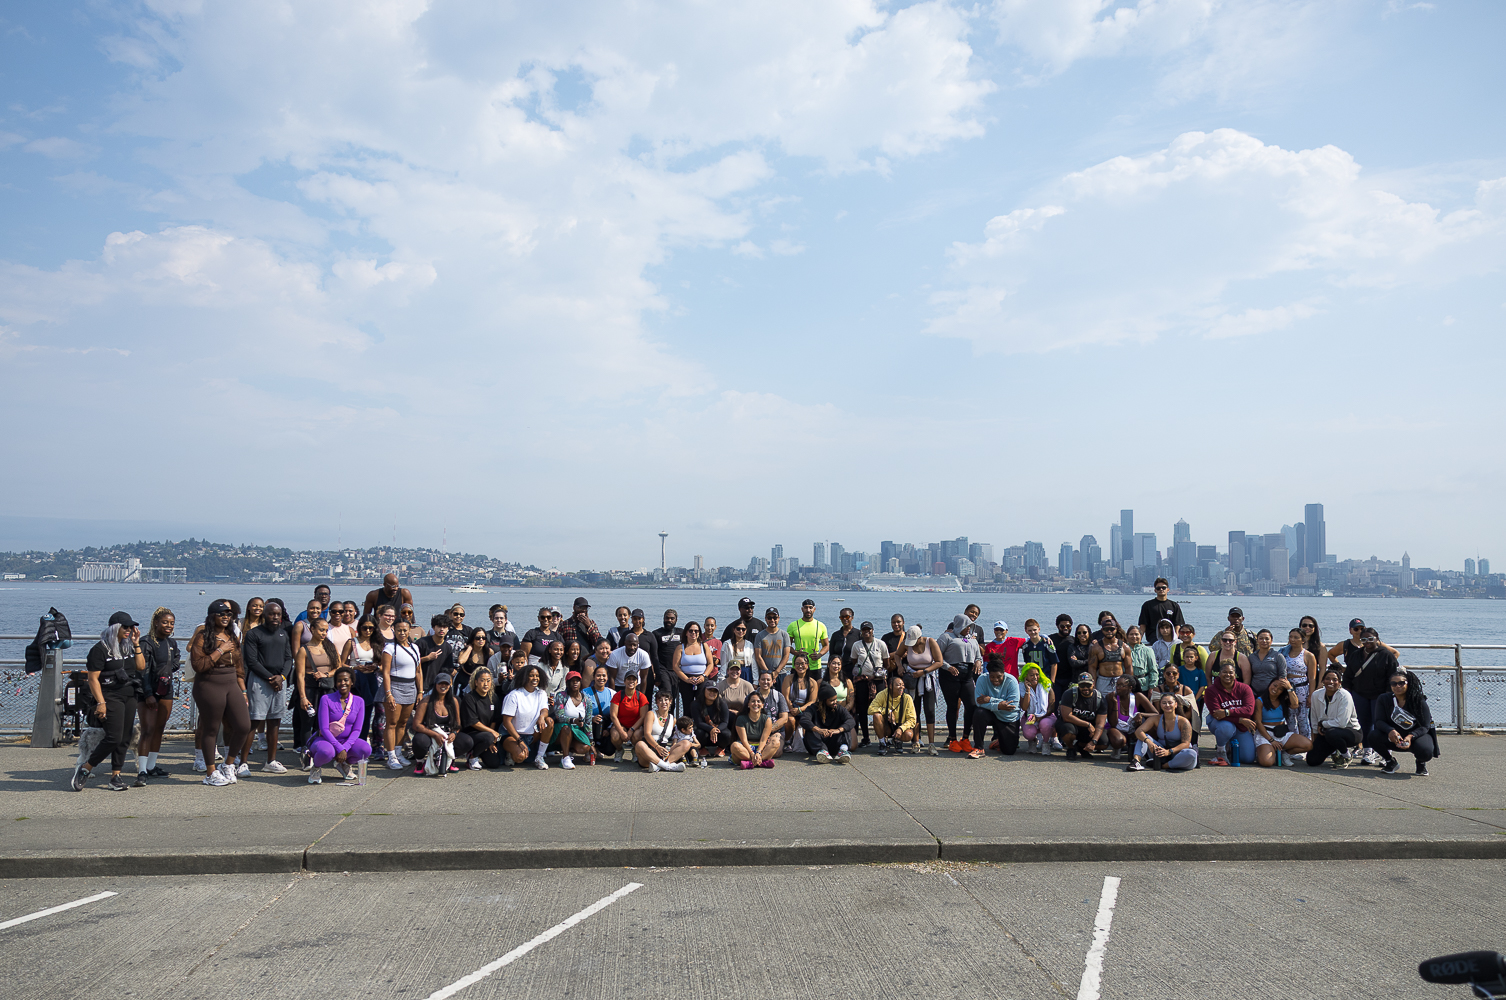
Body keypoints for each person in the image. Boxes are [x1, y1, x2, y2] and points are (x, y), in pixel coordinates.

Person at [71, 613, 149, 792]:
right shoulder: (100, 649)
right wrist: (101, 703)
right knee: (113, 736)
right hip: (109, 696)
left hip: (129, 695)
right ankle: (86, 768)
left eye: (131, 628)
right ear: (114, 628)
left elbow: (141, 666)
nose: (129, 631)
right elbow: (92, 679)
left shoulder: (128, 647)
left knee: (124, 737)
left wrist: (137, 644)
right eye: (125, 627)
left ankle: (115, 776)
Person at [187, 600, 250, 786]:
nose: (225, 617)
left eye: (229, 614)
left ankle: (228, 764)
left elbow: (239, 667)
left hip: (231, 682)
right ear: (211, 616)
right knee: (211, 728)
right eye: (221, 613)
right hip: (209, 683)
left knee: (243, 725)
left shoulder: (232, 635)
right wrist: (220, 650)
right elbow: (199, 665)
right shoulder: (202, 636)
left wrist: (243, 691)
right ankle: (210, 772)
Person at [243, 599, 294, 773]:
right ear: (264, 615)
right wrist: (270, 677)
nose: (275, 617)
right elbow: (251, 661)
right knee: (254, 720)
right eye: (271, 613)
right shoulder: (254, 634)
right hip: (259, 681)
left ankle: (270, 761)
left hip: (280, 682)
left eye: (278, 614)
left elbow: (289, 659)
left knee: (274, 721)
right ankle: (243, 763)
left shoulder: (283, 634)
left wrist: (281, 677)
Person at [136, 607, 179, 778]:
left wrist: (166, 670)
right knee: (147, 729)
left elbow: (176, 662)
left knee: (160, 729)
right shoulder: (146, 642)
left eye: (172, 623)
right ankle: (142, 770)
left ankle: (152, 766)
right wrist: (148, 694)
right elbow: (142, 670)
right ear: (156, 623)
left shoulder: (171, 643)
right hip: (148, 690)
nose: (168, 626)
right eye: (165, 622)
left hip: (166, 689)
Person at [308, 666, 370, 784]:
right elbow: (324, 729)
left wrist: (345, 747)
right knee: (327, 752)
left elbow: (357, 730)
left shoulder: (359, 701)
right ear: (335, 683)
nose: (343, 683)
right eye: (339, 680)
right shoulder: (326, 699)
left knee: (366, 749)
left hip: (346, 741)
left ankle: (344, 765)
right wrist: (340, 748)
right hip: (325, 740)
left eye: (346, 680)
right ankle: (316, 768)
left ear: (352, 682)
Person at [1346, 627, 1399, 766]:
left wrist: (1389, 695)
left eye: (1370, 638)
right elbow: (1348, 675)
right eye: (1364, 639)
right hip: (1360, 693)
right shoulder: (1356, 655)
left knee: (1381, 723)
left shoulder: (1386, 655)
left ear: (1377, 638)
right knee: (1364, 723)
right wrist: (1347, 692)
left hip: (1381, 695)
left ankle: (1385, 752)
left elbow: (1393, 676)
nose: (1367, 642)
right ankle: (1368, 750)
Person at [293, 616, 339, 760]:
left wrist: (326, 674)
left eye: (326, 630)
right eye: (321, 630)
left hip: (327, 690)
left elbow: (338, 667)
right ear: (312, 629)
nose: (324, 633)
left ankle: (324, 752)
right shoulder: (304, 650)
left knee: (326, 723)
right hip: (309, 689)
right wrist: (302, 697)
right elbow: (299, 675)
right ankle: (306, 754)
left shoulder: (330, 646)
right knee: (307, 723)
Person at [1374, 670, 1436, 775]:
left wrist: (1411, 736)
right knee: (1373, 736)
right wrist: (1390, 730)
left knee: (1426, 751)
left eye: (1401, 683)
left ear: (1408, 684)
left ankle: (1421, 762)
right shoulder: (1384, 699)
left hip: (1416, 735)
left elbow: (1425, 726)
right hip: (1395, 736)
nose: (1397, 686)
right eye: (1394, 683)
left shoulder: (1418, 700)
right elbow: (1379, 721)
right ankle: (1390, 762)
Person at [380, 619, 423, 770]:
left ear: (409, 630)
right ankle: (390, 755)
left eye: (405, 630)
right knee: (391, 723)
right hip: (395, 685)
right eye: (399, 630)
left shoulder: (415, 648)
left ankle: (399, 753)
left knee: (403, 723)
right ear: (394, 630)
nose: (402, 633)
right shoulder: (390, 648)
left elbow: (418, 671)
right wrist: (388, 693)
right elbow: (385, 672)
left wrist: (420, 691)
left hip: (410, 686)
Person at [895, 624, 942, 753]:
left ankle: (931, 743)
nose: (912, 645)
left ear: (920, 637)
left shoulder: (930, 641)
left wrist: (924, 671)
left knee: (929, 710)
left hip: (927, 678)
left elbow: (939, 662)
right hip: (912, 679)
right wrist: (899, 666)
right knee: (914, 711)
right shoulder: (907, 643)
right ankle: (916, 741)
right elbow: (897, 655)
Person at [938, 613, 983, 748]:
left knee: (971, 705)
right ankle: (952, 738)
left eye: (970, 626)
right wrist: (948, 667)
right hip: (950, 675)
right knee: (952, 707)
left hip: (967, 676)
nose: (969, 628)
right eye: (966, 626)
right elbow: (937, 657)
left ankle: (965, 737)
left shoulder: (972, 640)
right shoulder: (946, 637)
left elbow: (978, 656)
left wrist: (978, 662)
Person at [410, 673, 468, 776]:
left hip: (447, 732)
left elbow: (458, 724)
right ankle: (419, 762)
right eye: (440, 683)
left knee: (467, 741)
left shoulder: (454, 701)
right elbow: (416, 725)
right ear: (435, 684)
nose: (443, 686)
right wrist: (435, 735)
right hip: (430, 731)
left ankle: (449, 760)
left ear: (450, 686)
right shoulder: (426, 701)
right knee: (419, 741)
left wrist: (454, 733)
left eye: (446, 684)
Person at [501, 664, 554, 769]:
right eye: (531, 675)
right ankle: (510, 753)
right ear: (525, 677)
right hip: (512, 735)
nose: (535, 678)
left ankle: (539, 757)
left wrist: (542, 717)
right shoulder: (514, 695)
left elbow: (544, 710)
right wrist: (519, 740)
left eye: (537, 676)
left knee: (549, 721)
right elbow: (507, 722)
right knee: (520, 757)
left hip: (531, 735)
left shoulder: (541, 693)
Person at [1306, 668, 1362, 769]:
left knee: (1332, 733)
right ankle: (1335, 751)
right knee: (1312, 760)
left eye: (1335, 679)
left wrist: (1322, 724)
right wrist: (1315, 742)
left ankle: (1346, 756)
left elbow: (1342, 723)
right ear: (1323, 681)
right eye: (1327, 679)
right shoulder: (1316, 694)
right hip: (1326, 732)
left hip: (1351, 732)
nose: (1331, 682)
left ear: (1340, 682)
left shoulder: (1345, 696)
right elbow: (1314, 719)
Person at [1127, 693, 1198, 772]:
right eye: (1164, 703)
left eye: (1170, 703)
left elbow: (1186, 744)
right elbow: (1138, 731)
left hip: (1178, 754)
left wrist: (1168, 752)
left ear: (1176, 705)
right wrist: (1150, 743)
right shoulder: (1156, 718)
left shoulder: (1183, 721)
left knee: (1191, 753)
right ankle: (1136, 761)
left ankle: (1164, 765)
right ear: (1160, 705)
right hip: (1161, 753)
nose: (1167, 705)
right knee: (1143, 737)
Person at [1204, 661, 1257, 766]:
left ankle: (1230, 745)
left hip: (1241, 727)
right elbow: (1217, 714)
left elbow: (1249, 710)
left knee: (1247, 758)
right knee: (1226, 728)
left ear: (1235, 674)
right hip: (1220, 723)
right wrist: (1240, 719)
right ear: (1219, 674)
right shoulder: (1211, 690)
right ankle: (1221, 750)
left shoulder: (1245, 688)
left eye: (1231, 672)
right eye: (1224, 672)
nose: (1227, 675)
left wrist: (1227, 712)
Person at [1251, 678, 1312, 768]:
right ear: (1270, 684)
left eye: (1280, 689)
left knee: (1308, 745)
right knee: (1267, 762)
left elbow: (1295, 705)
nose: (1275, 689)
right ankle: (1266, 751)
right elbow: (1258, 723)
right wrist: (1272, 741)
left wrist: (1289, 688)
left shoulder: (1283, 700)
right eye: (1274, 685)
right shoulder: (1260, 700)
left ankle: (1285, 754)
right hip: (1265, 733)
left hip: (1281, 732)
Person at [846, 621, 887, 747]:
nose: (866, 632)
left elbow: (886, 663)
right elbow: (854, 661)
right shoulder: (857, 645)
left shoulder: (880, 644)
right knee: (862, 710)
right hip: (862, 681)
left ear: (873, 630)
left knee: (881, 709)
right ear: (861, 631)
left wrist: (876, 675)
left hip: (878, 681)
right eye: (864, 630)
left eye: (868, 629)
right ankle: (865, 737)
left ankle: (883, 737)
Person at [344, 615, 383, 747]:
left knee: (367, 713)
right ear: (359, 627)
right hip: (356, 679)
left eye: (371, 628)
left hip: (372, 679)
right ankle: (349, 741)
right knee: (353, 714)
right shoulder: (352, 642)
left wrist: (376, 666)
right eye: (365, 628)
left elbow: (384, 664)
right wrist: (354, 667)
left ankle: (361, 742)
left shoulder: (377, 643)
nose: (367, 631)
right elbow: (340, 664)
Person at [972, 657, 1021, 758]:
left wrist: (990, 699)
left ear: (1004, 672)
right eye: (992, 676)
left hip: (1007, 717)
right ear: (988, 674)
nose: (995, 680)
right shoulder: (982, 679)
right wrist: (999, 705)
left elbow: (1013, 706)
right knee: (979, 712)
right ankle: (979, 748)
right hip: (990, 713)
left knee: (1009, 751)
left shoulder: (1012, 681)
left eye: (999, 676)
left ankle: (1000, 740)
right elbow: (978, 702)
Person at [633, 691, 689, 772]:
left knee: (686, 743)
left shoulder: (672, 719)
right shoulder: (651, 714)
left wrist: (671, 748)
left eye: (666, 700)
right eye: (660, 700)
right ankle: (668, 766)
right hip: (650, 749)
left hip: (664, 751)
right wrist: (657, 747)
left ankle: (659, 766)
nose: (664, 703)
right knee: (639, 744)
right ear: (657, 703)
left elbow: (672, 737)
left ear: (670, 702)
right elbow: (647, 734)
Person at [460, 668, 504, 769]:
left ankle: (482, 747)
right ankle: (472, 757)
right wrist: (491, 734)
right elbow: (473, 722)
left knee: (494, 763)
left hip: (487, 735)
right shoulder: (469, 698)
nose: (486, 684)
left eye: (488, 681)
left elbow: (495, 719)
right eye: (482, 680)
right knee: (487, 737)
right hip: (471, 735)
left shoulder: (493, 697)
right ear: (476, 682)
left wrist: (491, 741)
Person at [1057, 673, 1107, 761]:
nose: (1085, 688)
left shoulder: (1100, 699)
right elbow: (1066, 716)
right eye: (1082, 685)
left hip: (1088, 729)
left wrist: (1093, 741)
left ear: (1093, 684)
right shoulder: (1069, 694)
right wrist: (1088, 724)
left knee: (1103, 743)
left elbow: (1100, 724)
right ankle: (1071, 748)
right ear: (1078, 685)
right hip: (1071, 724)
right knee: (1068, 730)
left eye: (1088, 685)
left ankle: (1080, 747)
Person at [802, 683, 855, 763]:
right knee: (810, 730)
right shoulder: (812, 708)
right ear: (823, 701)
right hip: (818, 743)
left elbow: (851, 720)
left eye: (835, 699)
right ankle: (823, 752)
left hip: (834, 741)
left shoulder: (839, 708)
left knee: (845, 727)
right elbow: (804, 720)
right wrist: (818, 730)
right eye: (831, 700)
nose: (835, 702)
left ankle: (842, 751)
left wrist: (838, 730)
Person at [1105, 675, 1155, 759]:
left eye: (1121, 685)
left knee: (1149, 724)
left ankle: (1141, 749)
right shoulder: (1111, 697)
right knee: (1119, 740)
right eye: (1117, 685)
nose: (1118, 688)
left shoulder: (1138, 696)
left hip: (1133, 728)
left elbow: (1156, 714)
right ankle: (1117, 748)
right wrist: (1114, 703)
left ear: (1130, 688)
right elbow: (1113, 723)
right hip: (1117, 728)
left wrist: (1141, 714)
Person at [550, 671, 592, 768]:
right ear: (567, 683)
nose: (575, 683)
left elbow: (589, 722)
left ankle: (568, 749)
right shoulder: (561, 696)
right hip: (562, 729)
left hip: (577, 730)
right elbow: (559, 717)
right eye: (572, 681)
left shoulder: (587, 700)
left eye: (577, 681)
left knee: (585, 747)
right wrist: (573, 720)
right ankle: (565, 758)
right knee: (566, 728)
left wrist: (591, 741)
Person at [1282, 627, 1319, 738]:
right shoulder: (1284, 652)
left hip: (1302, 688)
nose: (1292, 640)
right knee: (1289, 718)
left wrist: (1311, 696)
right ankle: (1292, 742)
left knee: (1303, 719)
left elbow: (1312, 678)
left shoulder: (1308, 655)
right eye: (1291, 637)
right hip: (1287, 689)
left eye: (1296, 637)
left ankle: (1305, 743)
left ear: (1303, 640)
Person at [1148, 664, 1200, 742]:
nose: (1171, 675)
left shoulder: (1186, 690)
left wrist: (1179, 722)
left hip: (1183, 720)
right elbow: (1157, 711)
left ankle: (1193, 743)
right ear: (1164, 675)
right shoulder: (1157, 690)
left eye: (1174, 673)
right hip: (1162, 720)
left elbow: (1192, 712)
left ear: (1178, 675)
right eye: (1168, 673)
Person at [672, 620, 713, 715]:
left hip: (702, 680)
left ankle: (700, 728)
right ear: (686, 632)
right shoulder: (680, 647)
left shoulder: (704, 646)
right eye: (691, 631)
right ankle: (686, 728)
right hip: (686, 681)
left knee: (701, 707)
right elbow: (675, 666)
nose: (693, 633)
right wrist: (686, 679)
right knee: (688, 707)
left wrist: (703, 676)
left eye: (696, 631)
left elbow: (710, 664)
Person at [869, 672, 918, 754]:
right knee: (877, 716)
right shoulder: (882, 694)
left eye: (902, 685)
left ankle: (897, 741)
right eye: (899, 685)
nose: (901, 687)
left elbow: (912, 720)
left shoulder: (907, 698)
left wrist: (901, 729)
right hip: (887, 726)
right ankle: (882, 743)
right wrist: (888, 712)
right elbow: (870, 709)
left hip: (900, 725)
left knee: (909, 734)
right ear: (891, 686)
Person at [731, 691, 779, 769]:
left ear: (762, 705)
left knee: (776, 742)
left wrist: (759, 752)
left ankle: (750, 763)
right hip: (746, 748)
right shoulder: (741, 718)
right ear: (748, 705)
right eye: (753, 701)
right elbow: (744, 740)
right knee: (734, 746)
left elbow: (764, 740)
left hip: (761, 747)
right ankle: (761, 762)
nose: (756, 704)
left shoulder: (767, 719)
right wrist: (752, 754)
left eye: (758, 701)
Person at [608, 670, 649, 761]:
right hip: (621, 725)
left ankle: (635, 750)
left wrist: (632, 729)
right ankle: (619, 750)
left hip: (635, 726)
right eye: (628, 679)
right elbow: (613, 716)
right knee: (615, 735)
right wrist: (621, 731)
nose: (631, 681)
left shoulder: (641, 697)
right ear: (624, 681)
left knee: (638, 735)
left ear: (637, 682)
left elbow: (643, 717)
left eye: (633, 679)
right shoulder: (618, 695)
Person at [782, 652, 819, 749]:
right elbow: (785, 697)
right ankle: (787, 741)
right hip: (791, 707)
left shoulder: (812, 682)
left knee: (807, 722)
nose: (800, 666)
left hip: (805, 709)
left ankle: (807, 742)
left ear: (807, 665)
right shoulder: (788, 679)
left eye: (803, 663)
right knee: (790, 720)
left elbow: (813, 701)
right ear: (794, 665)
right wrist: (791, 708)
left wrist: (800, 709)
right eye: (797, 663)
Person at [1019, 664, 1056, 755]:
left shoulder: (1046, 684)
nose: (1035, 677)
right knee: (1028, 732)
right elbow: (1024, 707)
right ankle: (1032, 741)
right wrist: (1028, 690)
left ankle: (1046, 743)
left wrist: (1039, 718)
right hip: (1030, 715)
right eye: (1032, 675)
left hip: (1046, 715)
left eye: (1037, 674)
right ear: (1025, 676)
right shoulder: (1021, 686)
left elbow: (1051, 707)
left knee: (1045, 724)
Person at [788, 599, 829, 676]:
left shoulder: (820, 625)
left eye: (810, 607)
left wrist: (819, 655)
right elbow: (787, 645)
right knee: (796, 688)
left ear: (814, 609)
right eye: (806, 607)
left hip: (815, 666)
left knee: (816, 687)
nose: (808, 610)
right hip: (798, 666)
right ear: (802, 609)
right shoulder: (793, 625)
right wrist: (796, 653)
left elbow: (826, 645)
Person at [582, 664, 615, 759]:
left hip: (606, 725)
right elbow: (580, 712)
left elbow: (615, 714)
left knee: (609, 750)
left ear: (607, 677)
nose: (601, 678)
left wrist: (608, 730)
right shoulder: (585, 692)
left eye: (604, 675)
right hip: (590, 725)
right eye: (598, 675)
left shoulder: (612, 693)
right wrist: (591, 718)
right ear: (593, 677)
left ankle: (599, 748)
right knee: (596, 720)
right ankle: (589, 749)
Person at [651, 609, 684, 703]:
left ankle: (671, 717)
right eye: (667, 618)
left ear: (676, 620)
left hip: (677, 670)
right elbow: (653, 654)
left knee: (673, 697)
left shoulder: (681, 632)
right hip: (663, 669)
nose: (669, 620)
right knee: (666, 694)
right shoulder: (656, 633)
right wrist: (655, 672)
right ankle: (663, 716)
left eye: (672, 618)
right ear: (663, 619)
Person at [691, 684, 733, 759]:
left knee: (727, 734)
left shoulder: (722, 703)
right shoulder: (695, 704)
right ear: (704, 690)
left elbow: (725, 722)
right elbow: (698, 723)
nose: (712, 693)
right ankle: (702, 748)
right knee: (699, 733)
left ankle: (720, 748)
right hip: (704, 731)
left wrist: (716, 730)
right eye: (710, 690)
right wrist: (711, 729)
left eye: (715, 691)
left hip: (718, 732)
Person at [1089, 622, 1128, 697]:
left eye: (1112, 629)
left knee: (1120, 705)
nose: (1109, 631)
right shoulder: (1095, 648)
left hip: (1119, 680)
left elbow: (1128, 667)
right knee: (1102, 705)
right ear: (1102, 630)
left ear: (1116, 629)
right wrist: (1093, 685)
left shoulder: (1124, 647)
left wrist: (1128, 684)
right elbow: (1092, 668)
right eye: (1106, 629)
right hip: (1103, 681)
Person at [1247, 629, 1287, 699]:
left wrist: (1276, 691)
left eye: (1267, 639)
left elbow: (1282, 676)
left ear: (1271, 641)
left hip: (1272, 694)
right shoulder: (1252, 657)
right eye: (1261, 638)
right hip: (1254, 693)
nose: (1264, 641)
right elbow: (1249, 675)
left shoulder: (1278, 656)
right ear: (1257, 640)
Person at [754, 607, 790, 680]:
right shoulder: (760, 635)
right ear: (766, 619)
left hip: (781, 673)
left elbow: (786, 655)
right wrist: (768, 673)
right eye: (769, 618)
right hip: (765, 674)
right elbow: (758, 656)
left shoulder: (784, 635)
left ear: (778, 618)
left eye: (775, 617)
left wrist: (777, 672)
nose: (772, 620)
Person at [720, 620, 757, 689]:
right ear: (734, 630)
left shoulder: (749, 644)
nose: (741, 631)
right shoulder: (727, 644)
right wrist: (721, 679)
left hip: (746, 672)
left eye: (743, 629)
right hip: (732, 672)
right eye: (738, 629)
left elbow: (754, 664)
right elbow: (724, 663)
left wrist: (755, 680)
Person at [827, 608, 860, 679]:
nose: (845, 619)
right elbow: (831, 654)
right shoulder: (836, 635)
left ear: (852, 618)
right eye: (842, 617)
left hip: (852, 669)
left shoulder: (858, 634)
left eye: (847, 616)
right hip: (837, 669)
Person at [1063, 624, 1093, 701]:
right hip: (1076, 680)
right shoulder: (1072, 647)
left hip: (1092, 680)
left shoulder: (1094, 647)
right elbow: (1073, 664)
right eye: (1079, 633)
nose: (1082, 635)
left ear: (1089, 633)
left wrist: (1079, 661)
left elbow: (1095, 663)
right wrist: (1088, 661)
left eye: (1084, 632)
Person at [1124, 626, 1157, 695]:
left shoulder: (1148, 650)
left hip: (1144, 685)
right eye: (1131, 634)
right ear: (1127, 636)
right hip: (1126, 685)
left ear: (1141, 636)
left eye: (1136, 634)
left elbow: (1153, 670)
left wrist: (1152, 687)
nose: (1134, 636)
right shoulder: (1122, 649)